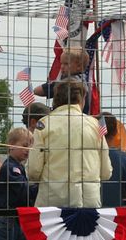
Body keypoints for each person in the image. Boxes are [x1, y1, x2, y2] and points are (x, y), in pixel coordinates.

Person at [28, 79, 111, 208]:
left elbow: (33, 171)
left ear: (56, 97)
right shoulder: (95, 125)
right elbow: (106, 172)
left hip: (53, 202)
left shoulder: (42, 125)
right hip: (88, 202)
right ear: (82, 98)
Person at [0, 102, 50, 196]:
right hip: (13, 207)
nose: (28, 149)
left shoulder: (17, 161)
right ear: (33, 122)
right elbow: (23, 190)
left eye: (29, 147)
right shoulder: (12, 166)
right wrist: (45, 187)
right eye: (44, 122)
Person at [0, 127, 38, 240]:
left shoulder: (18, 167)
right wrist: (41, 187)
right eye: (24, 145)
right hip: (7, 220)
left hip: (15, 219)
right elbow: (23, 192)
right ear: (11, 145)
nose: (28, 150)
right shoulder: (11, 168)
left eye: (30, 147)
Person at [33, 47, 92, 114]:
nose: (62, 67)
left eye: (66, 64)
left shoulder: (68, 83)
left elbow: (37, 90)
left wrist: (55, 84)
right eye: (61, 63)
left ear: (79, 66)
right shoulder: (84, 81)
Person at [99, 112, 126, 207]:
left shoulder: (88, 155)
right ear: (116, 131)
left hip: (90, 210)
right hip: (115, 211)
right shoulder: (125, 158)